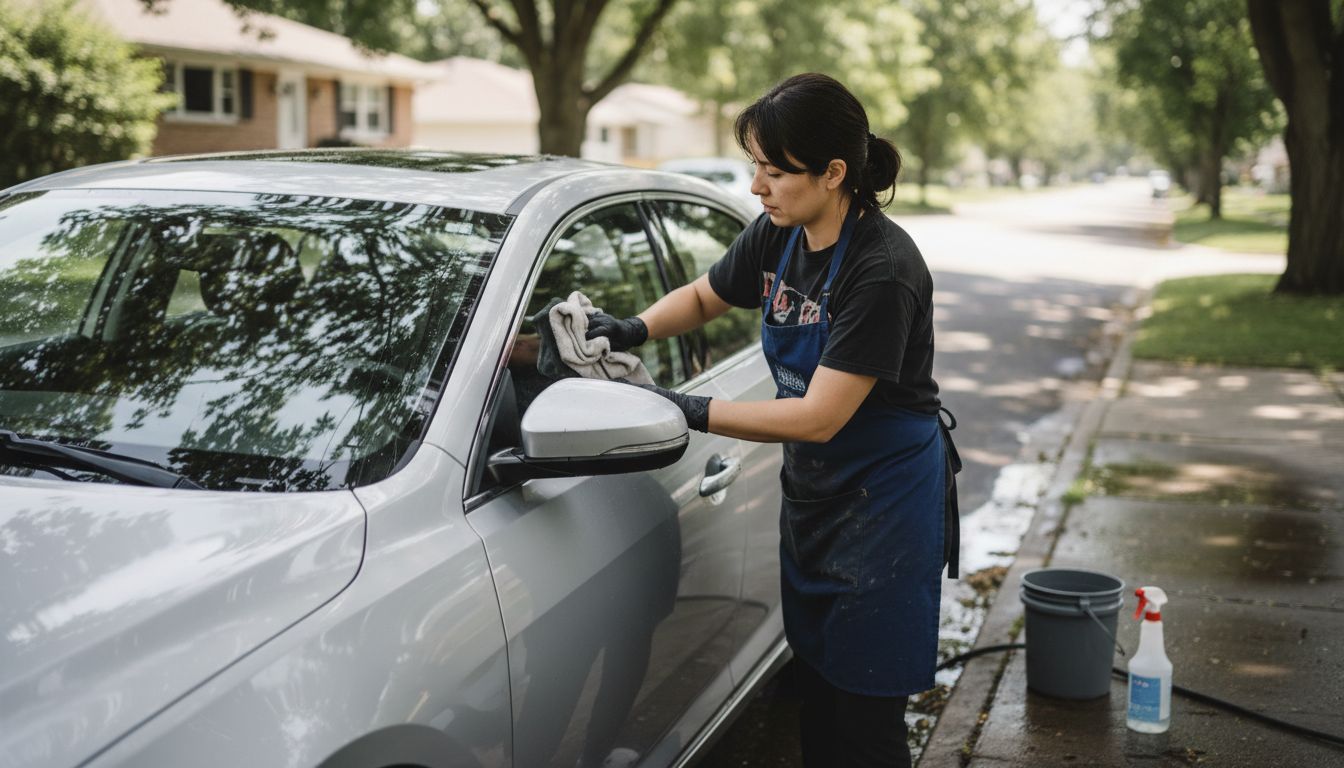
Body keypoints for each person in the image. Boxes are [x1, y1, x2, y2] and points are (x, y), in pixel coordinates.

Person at [585, 73, 957, 768]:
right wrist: (632, 328)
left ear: (833, 174)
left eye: (774, 169)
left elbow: (819, 416)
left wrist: (685, 409)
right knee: (814, 689)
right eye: (755, 164)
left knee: (865, 717)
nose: (756, 185)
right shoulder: (778, 234)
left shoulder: (881, 269)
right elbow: (704, 297)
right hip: (817, 500)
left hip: (885, 510)